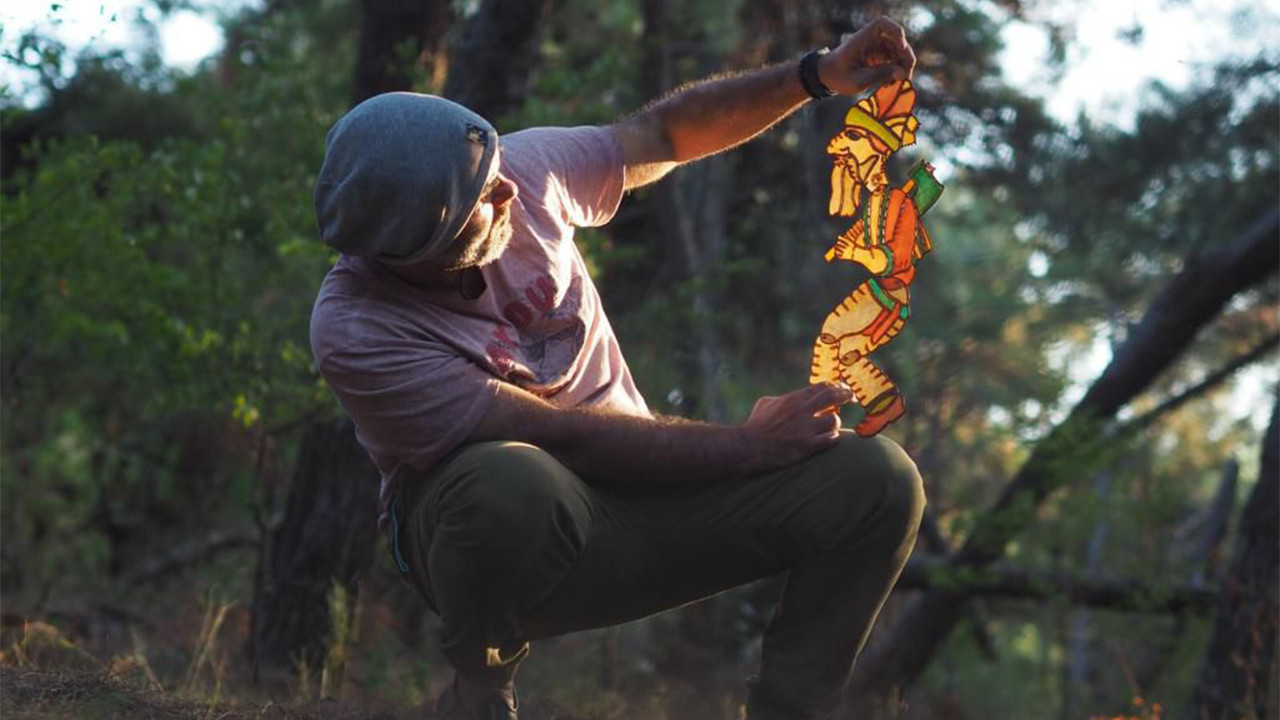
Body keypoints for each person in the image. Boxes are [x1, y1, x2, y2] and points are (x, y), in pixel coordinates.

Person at [309, 16, 925, 720]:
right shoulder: (358, 327)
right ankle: (480, 690)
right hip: (524, 534)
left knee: (876, 480)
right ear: (413, 247)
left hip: (649, 503)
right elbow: (564, 436)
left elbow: (660, 138)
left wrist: (818, 74)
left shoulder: (520, 171)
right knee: (506, 480)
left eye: (493, 174)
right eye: (481, 199)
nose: (505, 190)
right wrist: (749, 445)